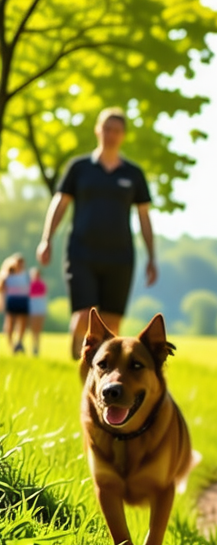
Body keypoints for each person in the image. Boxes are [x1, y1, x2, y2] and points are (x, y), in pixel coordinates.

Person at [36, 107, 158, 359]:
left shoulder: (133, 174)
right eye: (106, 129)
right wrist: (46, 239)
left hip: (120, 256)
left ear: (123, 135)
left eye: (116, 130)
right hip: (81, 252)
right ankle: (76, 364)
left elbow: (144, 217)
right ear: (97, 130)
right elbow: (60, 203)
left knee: (112, 323)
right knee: (84, 315)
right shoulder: (79, 168)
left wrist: (152, 257)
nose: (111, 135)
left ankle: (105, 373)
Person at [3, 254, 30, 354]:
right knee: (10, 322)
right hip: (12, 300)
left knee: (23, 322)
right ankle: (11, 344)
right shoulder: (9, 273)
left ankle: (19, 342)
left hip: (22, 300)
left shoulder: (25, 275)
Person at [26, 268, 48, 357]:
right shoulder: (29, 285)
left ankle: (36, 347)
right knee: (33, 329)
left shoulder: (42, 284)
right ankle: (33, 346)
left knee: (38, 329)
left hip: (39, 307)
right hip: (33, 307)